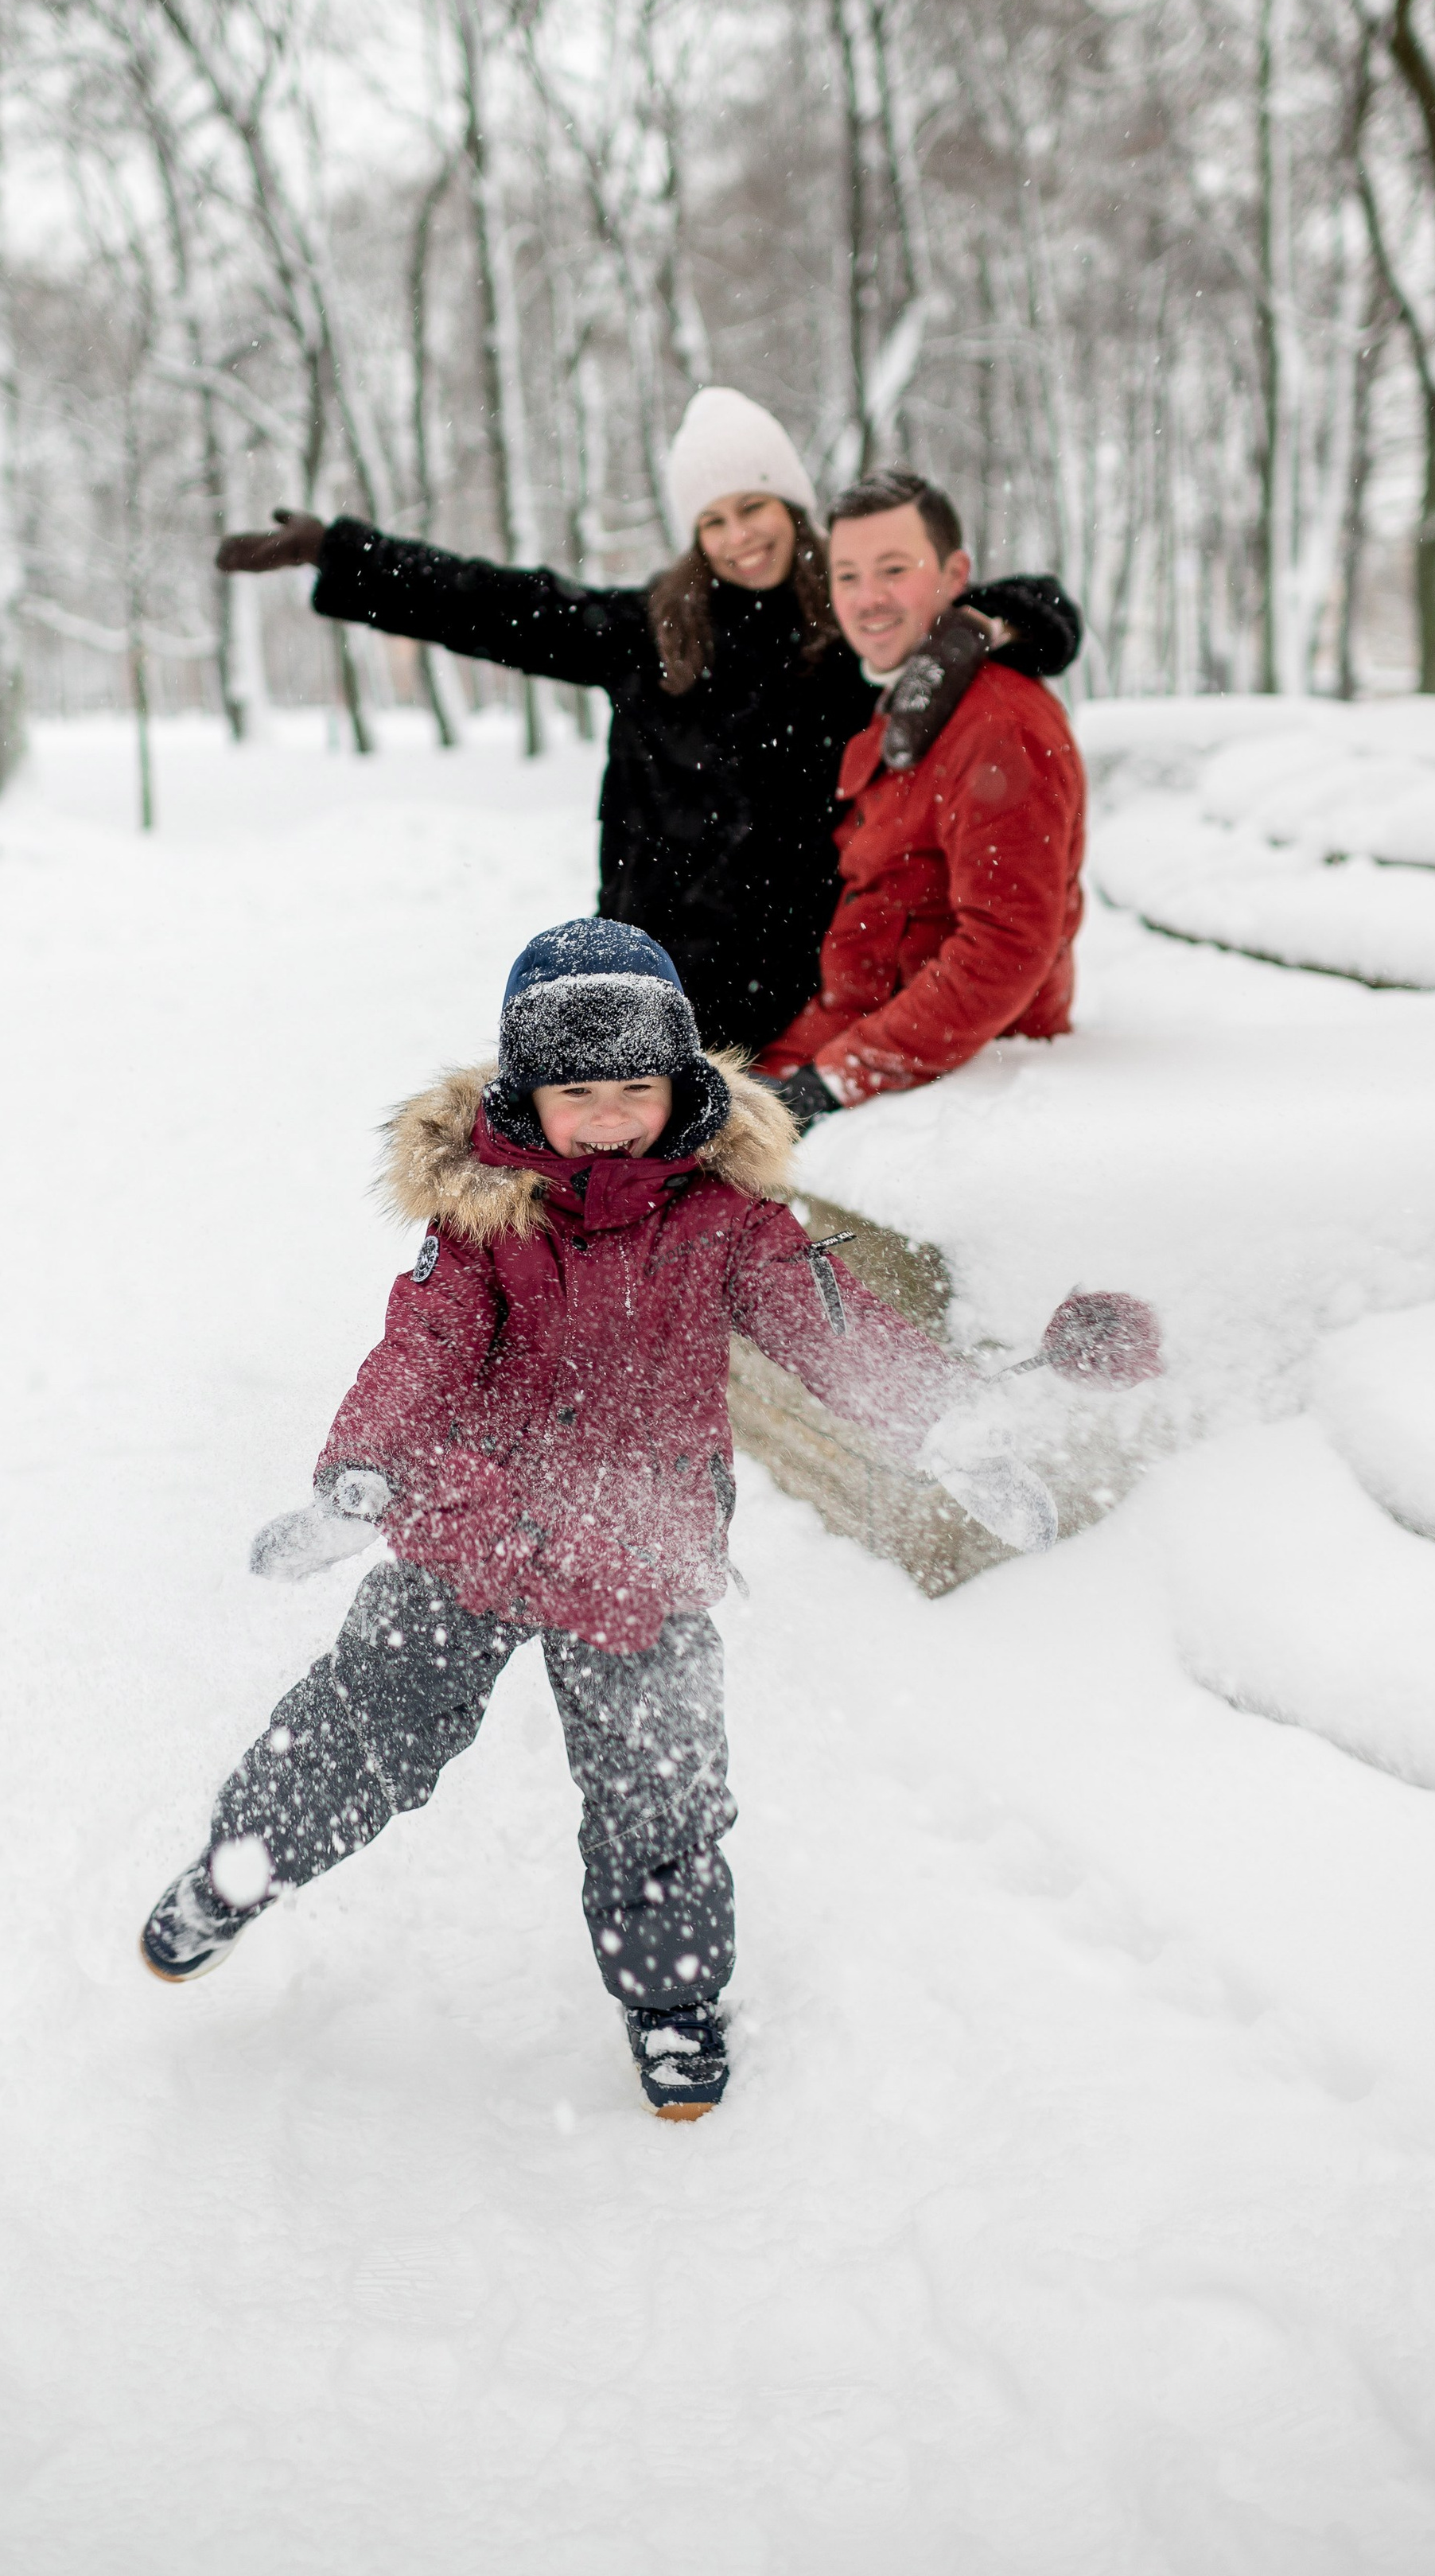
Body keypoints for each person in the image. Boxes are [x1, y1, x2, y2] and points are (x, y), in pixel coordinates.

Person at [136, 918, 1051, 2119]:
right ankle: (238, 1870)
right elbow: (425, 1348)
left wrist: (937, 1427)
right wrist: (362, 1475)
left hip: (641, 1546)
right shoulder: (482, 1219)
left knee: (659, 1790)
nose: (612, 1115)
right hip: (468, 1532)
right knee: (369, 1725)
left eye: (638, 1086)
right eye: (580, 1092)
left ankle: (671, 2000)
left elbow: (826, 1326)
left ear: (681, 1086)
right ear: (528, 1094)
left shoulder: (729, 1218)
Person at [216, 388, 1079, 1057]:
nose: (739, 537)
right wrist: (341, 551)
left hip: (798, 992)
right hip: (658, 979)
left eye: (755, 507)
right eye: (713, 520)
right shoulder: (649, 634)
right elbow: (490, 601)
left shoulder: (851, 626)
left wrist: (1009, 623)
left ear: (792, 507)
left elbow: (999, 601)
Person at [760, 471, 1087, 1120]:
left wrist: (833, 1080)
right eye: (848, 575)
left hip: (951, 1074)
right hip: (850, 1035)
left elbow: (1007, 947)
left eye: (893, 569)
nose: (868, 598)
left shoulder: (999, 728)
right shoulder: (917, 703)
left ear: (955, 572)